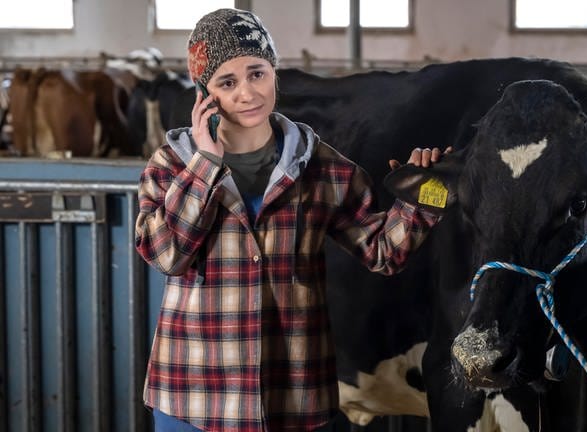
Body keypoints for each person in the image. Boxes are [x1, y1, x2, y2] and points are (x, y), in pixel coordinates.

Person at [134, 8, 450, 432]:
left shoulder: (323, 168)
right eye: (227, 82)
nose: (248, 93)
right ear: (203, 95)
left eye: (257, 73)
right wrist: (206, 164)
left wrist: (428, 193)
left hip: (292, 400)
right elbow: (166, 255)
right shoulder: (172, 165)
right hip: (193, 397)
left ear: (274, 73)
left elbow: (382, 252)